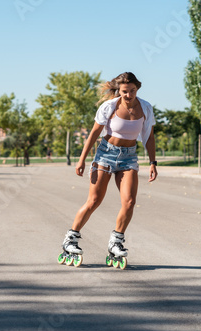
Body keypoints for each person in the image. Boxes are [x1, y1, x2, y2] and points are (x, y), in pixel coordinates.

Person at [59, 72, 158, 268]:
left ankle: (116, 242)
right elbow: (94, 134)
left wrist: (153, 162)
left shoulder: (145, 108)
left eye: (132, 91)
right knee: (94, 200)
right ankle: (70, 239)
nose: (128, 95)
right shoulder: (109, 107)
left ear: (137, 88)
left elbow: (149, 136)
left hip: (129, 156)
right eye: (124, 91)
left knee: (129, 201)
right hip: (105, 154)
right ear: (118, 91)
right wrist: (82, 160)